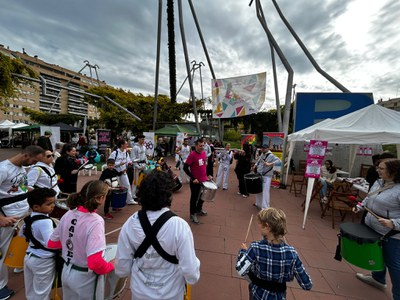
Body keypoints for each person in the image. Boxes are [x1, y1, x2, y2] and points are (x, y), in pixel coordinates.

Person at [115, 171, 200, 300]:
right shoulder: (179, 226)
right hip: (171, 295)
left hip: (140, 294)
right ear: (168, 194)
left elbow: (122, 270)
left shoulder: (130, 224)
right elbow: (191, 274)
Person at [47, 180, 114, 300]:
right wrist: (111, 266)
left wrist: (72, 244)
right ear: (100, 198)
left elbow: (52, 243)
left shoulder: (68, 214)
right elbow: (95, 262)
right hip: (85, 278)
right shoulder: (95, 221)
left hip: (66, 271)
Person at [236, 208, 312, 299]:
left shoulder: (256, 248)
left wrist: (243, 252)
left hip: (258, 295)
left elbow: (241, 270)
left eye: (260, 223)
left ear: (267, 227)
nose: (258, 225)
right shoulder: (291, 253)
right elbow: (307, 284)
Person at [0, 145, 45, 300]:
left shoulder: (21, 169)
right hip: (8, 218)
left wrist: (43, 194)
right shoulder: (3, 169)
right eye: (33, 160)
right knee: (3, 252)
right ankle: (0, 286)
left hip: (23, 214)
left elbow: (23, 190)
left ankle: (18, 265)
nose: (33, 164)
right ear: (26, 155)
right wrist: (1, 219)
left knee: (22, 245)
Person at [353, 158, 400, 299]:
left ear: (393, 171)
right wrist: (361, 206)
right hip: (373, 226)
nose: (377, 170)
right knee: (377, 254)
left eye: (381, 168)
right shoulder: (379, 182)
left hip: (391, 233)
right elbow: (369, 197)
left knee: (393, 263)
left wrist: (393, 223)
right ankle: (378, 279)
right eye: (377, 167)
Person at [21, 188, 57, 300]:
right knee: (41, 292)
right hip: (43, 260)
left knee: (31, 290)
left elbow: (21, 234)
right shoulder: (45, 221)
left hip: (29, 256)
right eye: (49, 204)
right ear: (36, 207)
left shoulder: (29, 218)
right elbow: (50, 243)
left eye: (53, 203)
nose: (53, 206)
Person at [183, 138, 212, 224]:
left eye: (203, 145)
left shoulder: (203, 153)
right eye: (200, 146)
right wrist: (193, 178)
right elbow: (185, 168)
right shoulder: (192, 155)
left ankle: (199, 209)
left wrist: (207, 175)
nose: (202, 147)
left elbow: (204, 166)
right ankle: (192, 214)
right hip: (195, 181)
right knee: (194, 198)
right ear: (196, 146)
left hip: (204, 179)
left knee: (203, 196)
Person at [253, 144, 281, 209]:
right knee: (258, 190)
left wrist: (270, 164)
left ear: (267, 148)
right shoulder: (263, 154)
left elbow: (279, 161)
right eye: (262, 148)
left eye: (264, 148)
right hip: (260, 174)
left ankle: (265, 207)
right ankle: (258, 203)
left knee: (265, 191)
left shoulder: (271, 155)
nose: (263, 149)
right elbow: (259, 160)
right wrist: (255, 165)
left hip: (266, 176)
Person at [108, 139, 136, 205]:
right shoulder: (115, 153)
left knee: (127, 185)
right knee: (115, 187)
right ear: (122, 145)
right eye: (126, 144)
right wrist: (119, 163)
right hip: (115, 173)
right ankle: (112, 202)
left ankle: (129, 200)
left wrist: (129, 163)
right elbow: (109, 162)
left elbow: (128, 160)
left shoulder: (126, 152)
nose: (127, 145)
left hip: (123, 172)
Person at [131, 134, 147, 200]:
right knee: (135, 181)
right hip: (137, 167)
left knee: (143, 180)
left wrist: (146, 162)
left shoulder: (144, 147)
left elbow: (145, 156)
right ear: (138, 139)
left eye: (144, 139)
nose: (143, 140)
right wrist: (137, 166)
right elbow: (133, 158)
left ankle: (139, 193)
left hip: (143, 165)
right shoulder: (135, 147)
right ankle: (133, 195)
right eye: (142, 139)